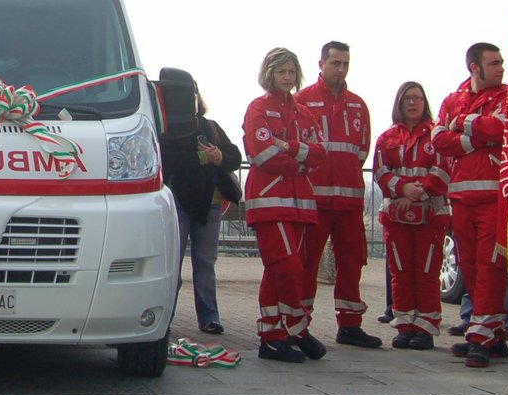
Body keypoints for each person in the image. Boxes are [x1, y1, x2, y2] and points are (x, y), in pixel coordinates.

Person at [242, 47, 326, 363]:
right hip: (268, 202)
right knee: (288, 266)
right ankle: (298, 327)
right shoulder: (258, 108)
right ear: (269, 74)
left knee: (280, 270)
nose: (287, 78)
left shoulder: (304, 113)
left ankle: (273, 337)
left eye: (291, 72)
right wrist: (300, 160)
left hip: (300, 204)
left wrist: (289, 148)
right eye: (281, 72)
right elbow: (262, 155)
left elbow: (320, 154)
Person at [433, 42, 508, 368]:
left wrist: (461, 124)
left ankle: (479, 338)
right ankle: (493, 335)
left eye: (502, 62)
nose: (501, 67)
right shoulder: (453, 98)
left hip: (494, 197)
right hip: (461, 198)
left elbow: (502, 128)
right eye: (494, 63)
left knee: (491, 266)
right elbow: (437, 138)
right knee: (470, 268)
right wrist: (475, 134)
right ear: (474, 67)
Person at [296, 41, 378, 348]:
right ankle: (299, 324)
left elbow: (361, 152)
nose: (341, 69)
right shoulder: (302, 101)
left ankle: (350, 325)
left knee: (352, 262)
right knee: (307, 263)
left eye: (345, 63)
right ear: (321, 64)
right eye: (335, 63)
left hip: (350, 202)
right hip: (314, 201)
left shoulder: (358, 105)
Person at [372, 81, 450, 349]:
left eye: (418, 98)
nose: (413, 103)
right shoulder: (386, 138)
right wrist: (401, 189)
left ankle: (425, 328)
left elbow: (443, 170)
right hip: (396, 218)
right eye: (408, 99)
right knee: (400, 271)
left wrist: (417, 192)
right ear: (399, 103)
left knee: (427, 271)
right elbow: (380, 172)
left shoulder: (437, 135)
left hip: (430, 216)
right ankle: (404, 325)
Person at [159, 86, 240, 335]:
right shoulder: (168, 130)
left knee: (205, 264)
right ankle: (164, 317)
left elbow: (234, 157)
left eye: (193, 94)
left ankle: (209, 317)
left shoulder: (211, 126)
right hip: (179, 204)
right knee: (172, 265)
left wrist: (218, 157)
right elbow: (166, 159)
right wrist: (202, 158)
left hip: (210, 205)